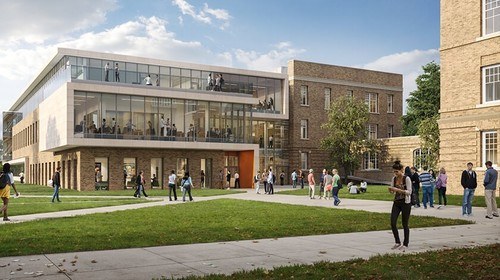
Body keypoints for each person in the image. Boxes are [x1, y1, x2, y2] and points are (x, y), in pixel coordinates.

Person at [388, 161, 412, 252]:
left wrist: (398, 190)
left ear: (401, 170)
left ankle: (406, 243)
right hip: (397, 202)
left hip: (405, 202)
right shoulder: (394, 179)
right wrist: (391, 190)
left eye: (397, 172)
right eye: (394, 172)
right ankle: (397, 241)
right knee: (393, 222)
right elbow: (393, 191)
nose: (395, 173)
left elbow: (409, 192)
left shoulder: (407, 179)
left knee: (404, 223)